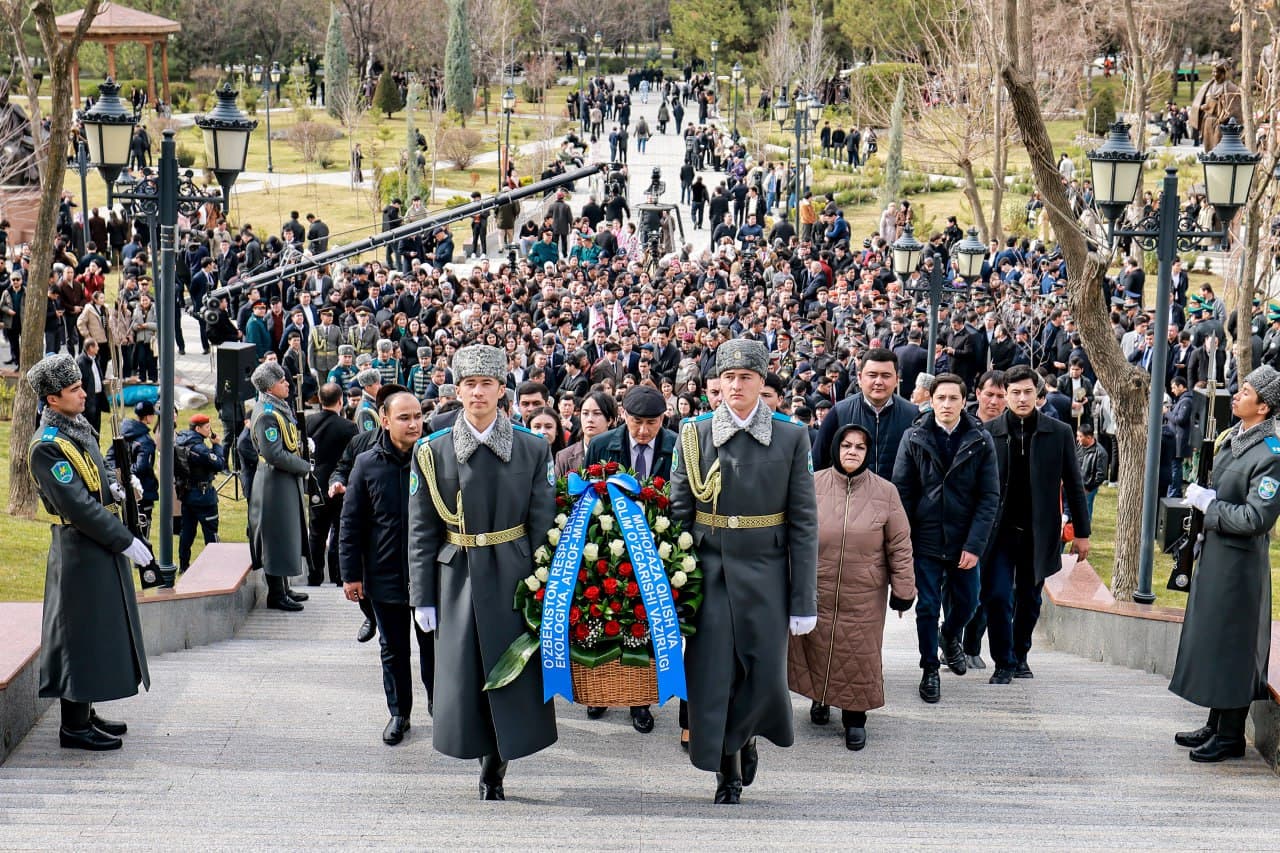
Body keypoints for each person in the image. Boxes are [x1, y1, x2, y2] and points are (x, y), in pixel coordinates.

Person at [669, 338, 818, 805]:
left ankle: (748, 735)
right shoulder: (693, 434)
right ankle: (725, 766)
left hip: (766, 569)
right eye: (728, 377)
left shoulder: (791, 435)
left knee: (764, 672)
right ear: (717, 383)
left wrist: (803, 599)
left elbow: (804, 520)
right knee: (712, 674)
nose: (736, 385)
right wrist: (672, 581)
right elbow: (678, 511)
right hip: (708, 570)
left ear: (761, 382)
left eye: (746, 377)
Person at [407, 344, 557, 800]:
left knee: (511, 671)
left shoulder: (532, 448)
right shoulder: (432, 450)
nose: (477, 393)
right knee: (464, 674)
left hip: (513, 571)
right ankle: (479, 753)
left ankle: (498, 761)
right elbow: (421, 527)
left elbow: (543, 522)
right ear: (456, 390)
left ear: (501, 391)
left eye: (486, 384)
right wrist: (423, 596)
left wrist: (543, 583)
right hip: (456, 574)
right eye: (469, 385)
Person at [25, 353, 150, 751]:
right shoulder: (47, 446)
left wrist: (117, 485)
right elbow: (76, 506)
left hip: (95, 547)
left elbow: (94, 476)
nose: (83, 393)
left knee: (94, 631)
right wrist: (125, 539)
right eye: (74, 389)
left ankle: (86, 712)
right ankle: (73, 726)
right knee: (78, 635)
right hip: (79, 548)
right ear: (51, 399)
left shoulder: (76, 429)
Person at [1169, 365, 1280, 762]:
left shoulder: (1270, 455)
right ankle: (1216, 723)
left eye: (1246, 391)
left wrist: (1210, 506)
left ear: (1263, 407)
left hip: (1239, 568)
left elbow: (1256, 519)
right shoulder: (1237, 440)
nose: (1236, 395)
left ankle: (1231, 735)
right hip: (1216, 557)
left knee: (1233, 646)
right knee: (1215, 640)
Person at [789, 424, 915, 751]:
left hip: (864, 594)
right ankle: (821, 697)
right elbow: (793, 535)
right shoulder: (811, 485)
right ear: (835, 447)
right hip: (818, 586)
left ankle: (855, 718)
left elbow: (899, 544)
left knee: (859, 655)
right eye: (846, 445)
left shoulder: (885, 492)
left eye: (860, 447)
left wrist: (904, 590)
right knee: (815, 647)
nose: (852, 452)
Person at [892, 374, 1000, 703]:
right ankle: (929, 669)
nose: (947, 404)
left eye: (954, 398)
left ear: (963, 401)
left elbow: (988, 497)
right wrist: (903, 542)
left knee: (968, 602)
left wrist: (974, 544)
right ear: (932, 400)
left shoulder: (980, 440)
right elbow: (902, 492)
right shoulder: (914, 437)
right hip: (924, 538)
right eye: (941, 398)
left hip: (963, 539)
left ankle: (949, 635)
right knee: (927, 606)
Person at [982, 365, 1090, 684]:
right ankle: (1003, 661)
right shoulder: (989, 432)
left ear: (1038, 394)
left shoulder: (1059, 433)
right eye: (1014, 392)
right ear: (1006, 396)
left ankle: (1020, 655)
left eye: (1028, 391)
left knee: (1029, 599)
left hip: (1039, 532)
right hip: (998, 532)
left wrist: (1082, 533)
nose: (1022, 398)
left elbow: (1073, 483)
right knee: (999, 596)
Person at [339, 384, 434, 745]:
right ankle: (399, 713)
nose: (413, 425)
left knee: (434, 647)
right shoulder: (366, 464)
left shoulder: (434, 457)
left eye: (418, 417)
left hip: (428, 576)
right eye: (404, 418)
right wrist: (350, 575)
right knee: (393, 649)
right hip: (384, 575)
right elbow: (351, 523)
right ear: (384, 419)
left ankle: (440, 707)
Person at [581, 384, 678, 732]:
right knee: (605, 620)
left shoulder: (675, 445)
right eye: (636, 421)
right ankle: (601, 691)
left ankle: (640, 699)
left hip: (657, 549)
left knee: (646, 625)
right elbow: (585, 498)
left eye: (651, 423)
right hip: (608, 545)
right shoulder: (600, 445)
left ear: (663, 419)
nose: (642, 431)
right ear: (623, 414)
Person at [247, 361, 312, 612]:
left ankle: (283, 586)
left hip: (283, 479)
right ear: (270, 386)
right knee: (276, 535)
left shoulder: (277, 408)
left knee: (287, 533)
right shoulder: (266, 414)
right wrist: (305, 466)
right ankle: (276, 593)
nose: (287, 383)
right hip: (274, 480)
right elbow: (273, 454)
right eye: (282, 380)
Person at [813, 347, 918, 477]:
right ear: (860, 378)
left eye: (886, 376)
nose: (878, 382)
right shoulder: (839, 412)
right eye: (872, 375)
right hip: (849, 494)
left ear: (897, 379)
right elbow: (818, 463)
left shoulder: (913, 415)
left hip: (897, 495)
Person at [176, 413, 227, 573]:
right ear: (198, 429)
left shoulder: (182, 441)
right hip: (203, 496)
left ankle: (184, 566)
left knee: (187, 532)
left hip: (186, 493)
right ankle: (214, 566)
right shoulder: (200, 449)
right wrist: (217, 445)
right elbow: (219, 464)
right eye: (206, 427)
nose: (209, 429)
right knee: (211, 532)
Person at [555, 389, 616, 476]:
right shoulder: (564, 457)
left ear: (609, 420)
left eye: (597, 413)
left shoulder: (621, 454)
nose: (590, 419)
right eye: (585, 413)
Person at [1074, 424, 1109, 523]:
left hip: (1088, 487)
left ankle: (1084, 533)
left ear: (1089, 437)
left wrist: (1088, 489)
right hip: (1077, 483)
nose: (1078, 439)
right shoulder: (1080, 445)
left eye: (1080, 436)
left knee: (1086, 511)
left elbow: (1101, 475)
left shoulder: (1101, 453)